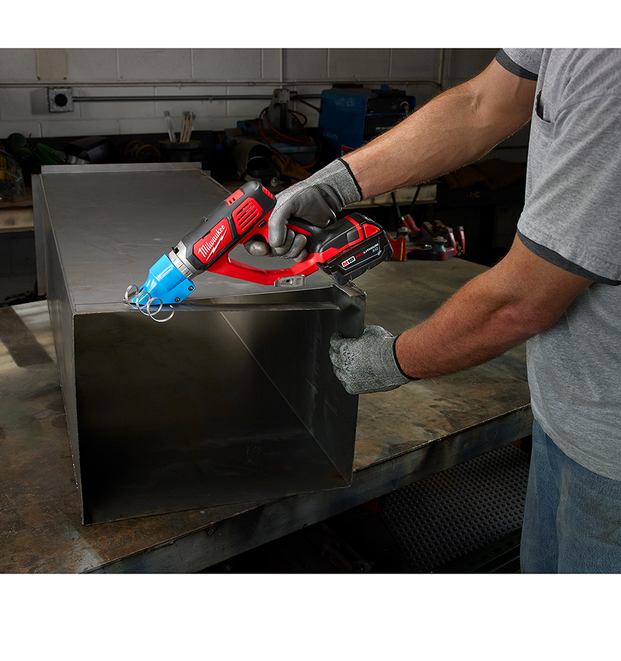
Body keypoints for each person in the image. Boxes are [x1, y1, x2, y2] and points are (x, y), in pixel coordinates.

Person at [247, 49, 621, 573]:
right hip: (566, 411)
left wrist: (393, 359)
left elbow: (520, 303)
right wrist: (333, 184)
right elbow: (479, 103)